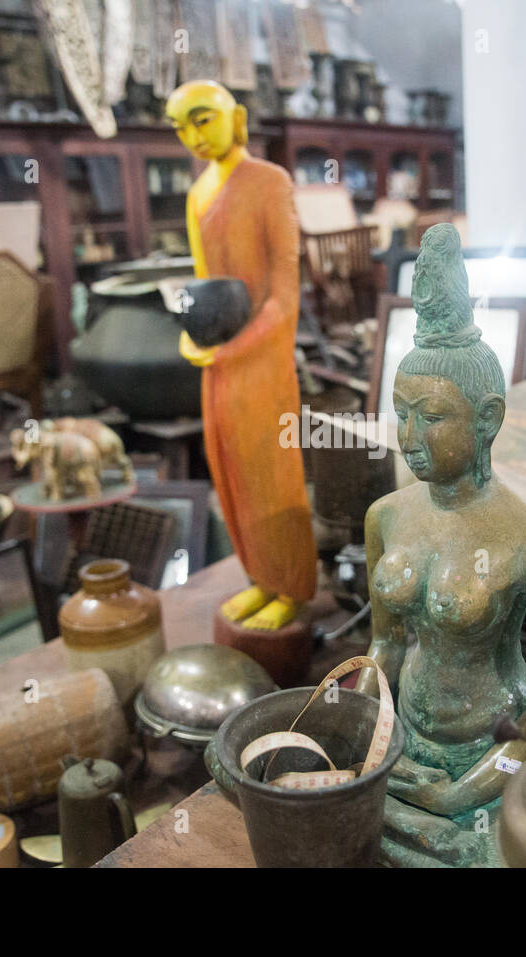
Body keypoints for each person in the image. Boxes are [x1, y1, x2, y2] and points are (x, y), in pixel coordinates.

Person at [355, 224, 526, 865]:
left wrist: (460, 794)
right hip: (398, 750)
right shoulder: (386, 517)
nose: (408, 434)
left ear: (488, 418)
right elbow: (384, 644)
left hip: (491, 758)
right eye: (401, 413)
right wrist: (367, 726)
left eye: (432, 417)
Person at [164, 80, 316, 631]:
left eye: (202, 119)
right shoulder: (197, 193)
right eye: (181, 126)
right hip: (219, 361)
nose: (192, 136)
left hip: (263, 359)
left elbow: (285, 295)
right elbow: (204, 285)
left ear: (237, 117)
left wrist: (239, 345)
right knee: (227, 467)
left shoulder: (269, 182)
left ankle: (293, 585)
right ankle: (259, 578)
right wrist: (191, 333)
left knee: (270, 471)